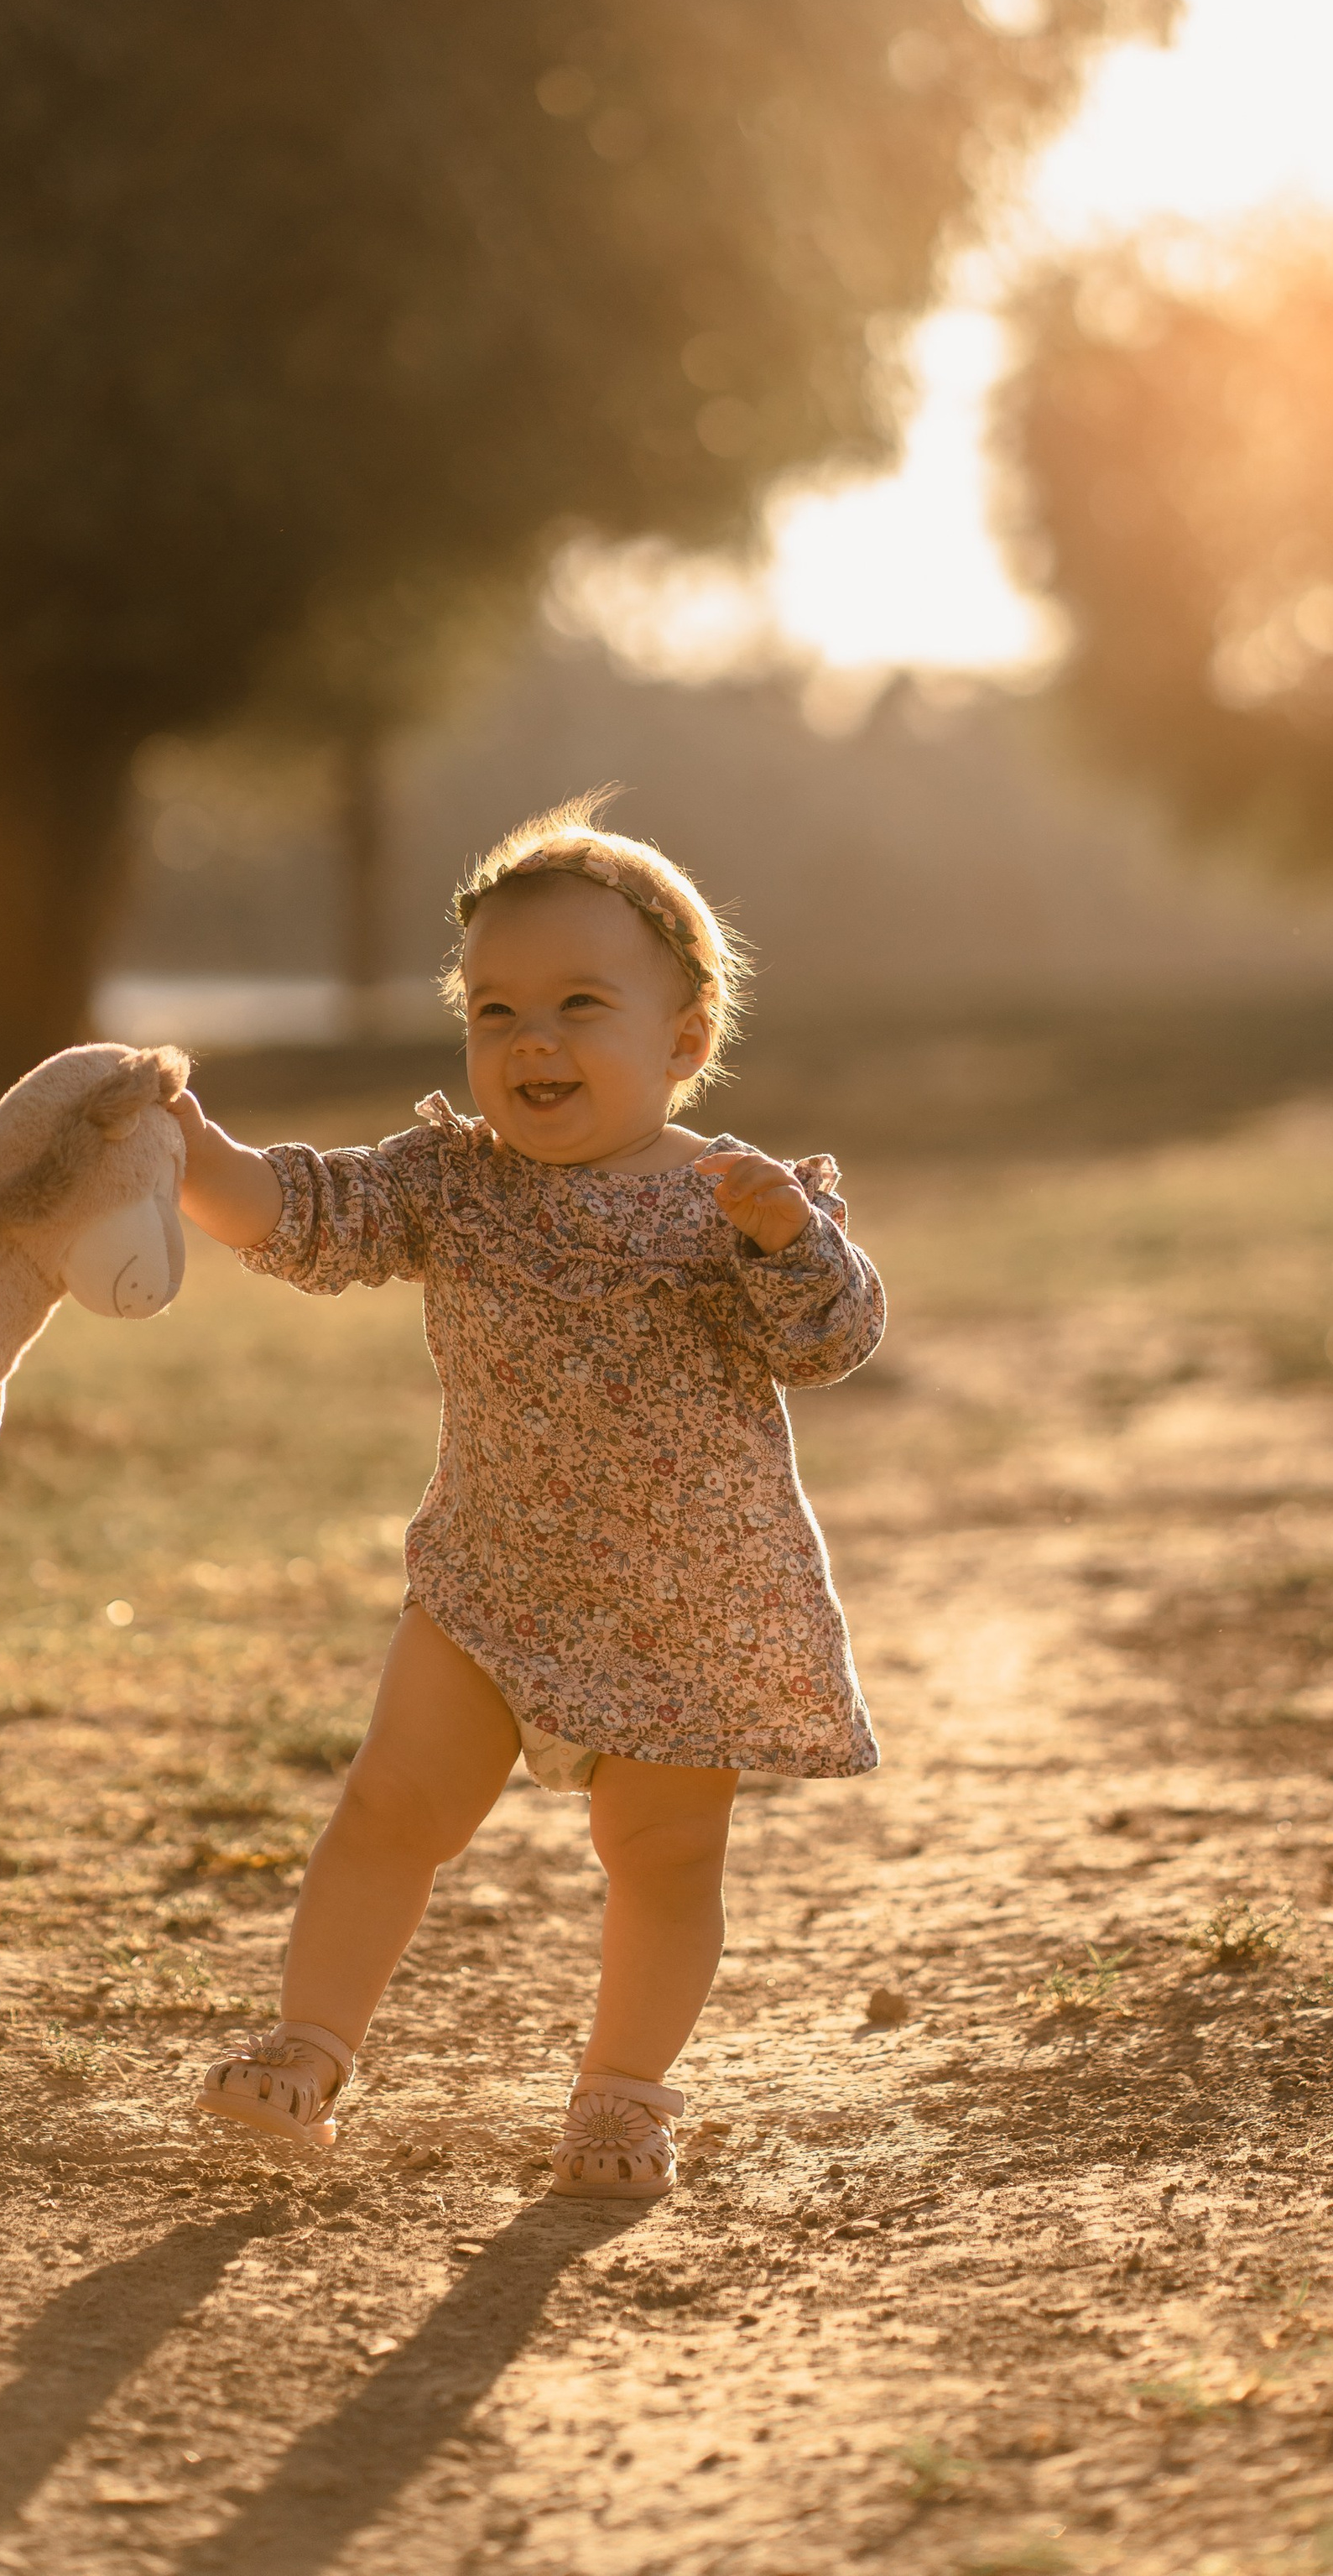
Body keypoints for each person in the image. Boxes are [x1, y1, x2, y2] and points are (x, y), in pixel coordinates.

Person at [171, 796, 883, 2198]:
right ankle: (308, 2049)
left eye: (576, 1005)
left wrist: (794, 1242)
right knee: (390, 1806)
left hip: (692, 1602)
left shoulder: (729, 1199)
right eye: (494, 1011)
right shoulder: (452, 1182)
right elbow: (302, 1216)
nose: (531, 1041)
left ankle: (623, 2098)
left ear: (683, 1042)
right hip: (493, 1578)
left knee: (665, 1850)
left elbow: (831, 1339)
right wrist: (186, 1146)